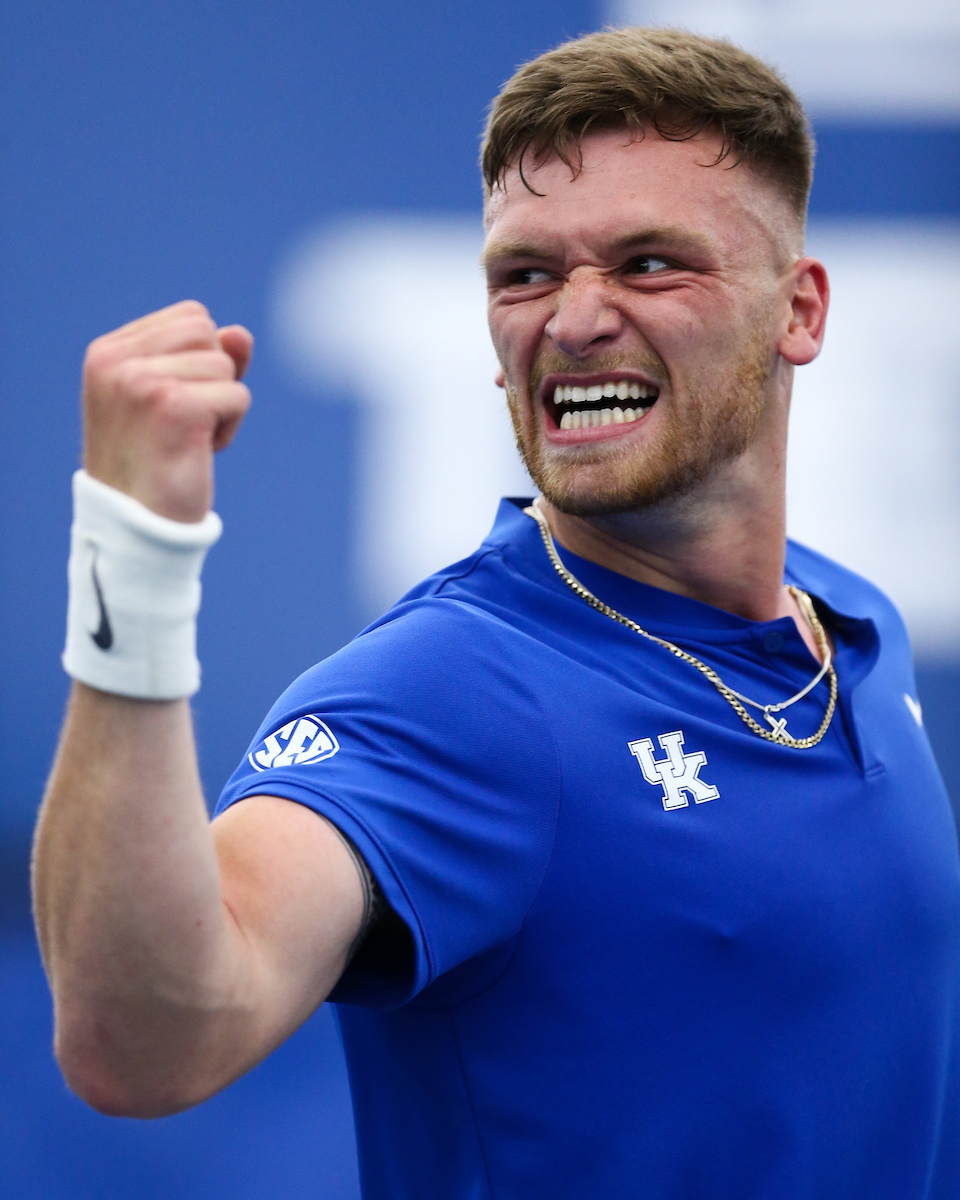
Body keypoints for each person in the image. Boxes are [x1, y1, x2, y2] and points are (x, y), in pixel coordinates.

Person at [33, 27, 960, 1200]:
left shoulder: (857, 628)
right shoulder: (448, 692)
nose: (572, 320)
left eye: (649, 263)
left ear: (800, 309)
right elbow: (142, 1042)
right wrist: (136, 557)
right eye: (525, 274)